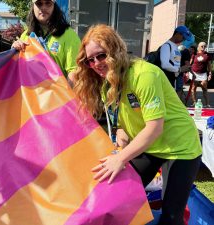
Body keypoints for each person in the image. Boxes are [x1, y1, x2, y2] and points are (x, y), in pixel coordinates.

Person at [72, 24, 201, 225]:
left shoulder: (144, 74)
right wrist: (120, 150)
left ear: (115, 50)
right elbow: (123, 126)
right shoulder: (110, 83)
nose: (96, 63)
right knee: (115, 193)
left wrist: (121, 158)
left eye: (101, 55)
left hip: (180, 148)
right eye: (90, 60)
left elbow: (154, 127)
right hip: (151, 146)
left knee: (171, 216)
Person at [11, 0, 81, 80]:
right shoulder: (25, 35)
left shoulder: (69, 34)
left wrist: (66, 92)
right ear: (33, 6)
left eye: (48, 3)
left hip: (58, 91)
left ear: (54, 6)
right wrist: (14, 51)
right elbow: (17, 69)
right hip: (31, 91)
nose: (43, 7)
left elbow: (74, 71)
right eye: (39, 3)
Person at [190, 41, 212, 107]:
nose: (203, 47)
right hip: (194, 73)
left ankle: (207, 104)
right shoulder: (194, 54)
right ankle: (194, 102)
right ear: (198, 47)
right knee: (193, 88)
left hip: (203, 74)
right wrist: (189, 73)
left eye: (205, 46)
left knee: (204, 88)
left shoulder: (207, 55)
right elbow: (190, 64)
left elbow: (209, 65)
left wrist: (210, 73)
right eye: (202, 46)